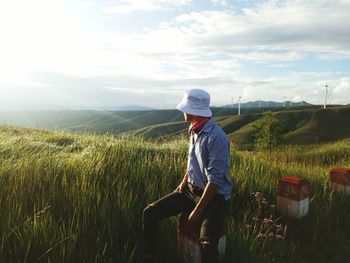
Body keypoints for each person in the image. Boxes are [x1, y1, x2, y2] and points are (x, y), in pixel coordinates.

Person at [142, 88, 233, 263]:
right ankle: (148, 256)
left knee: (207, 242)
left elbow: (215, 180)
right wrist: (184, 182)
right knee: (150, 212)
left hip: (212, 197)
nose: (183, 111)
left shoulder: (217, 138)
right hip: (190, 189)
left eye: (186, 108)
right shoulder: (194, 129)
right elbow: (193, 161)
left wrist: (197, 211)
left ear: (193, 111)